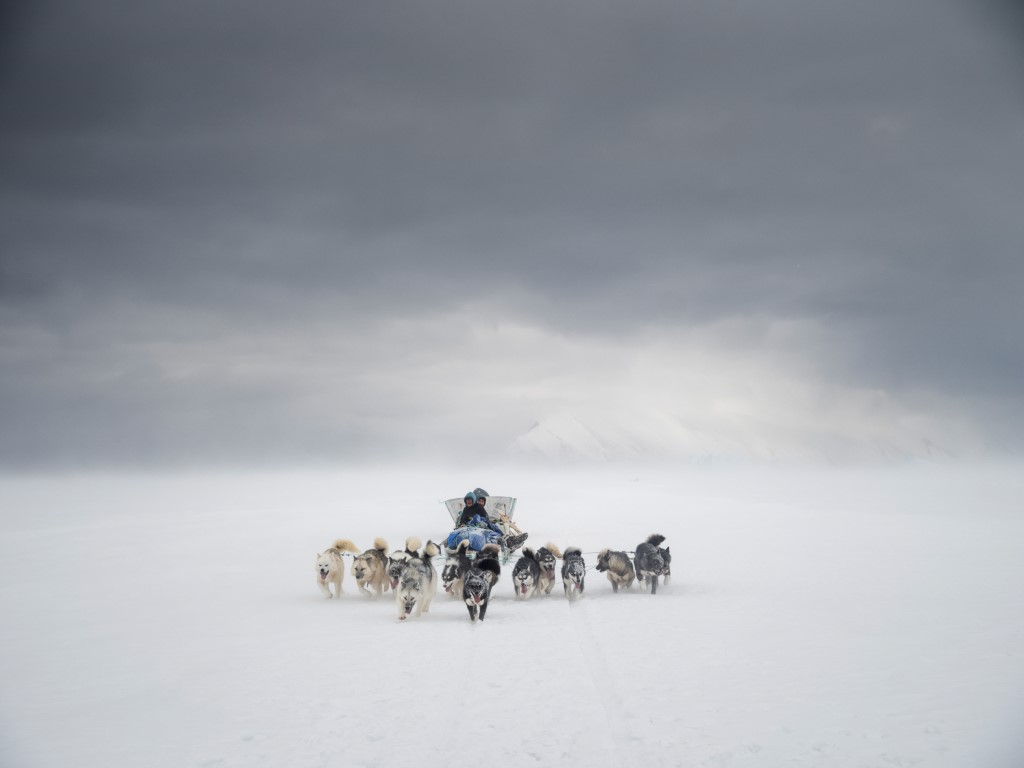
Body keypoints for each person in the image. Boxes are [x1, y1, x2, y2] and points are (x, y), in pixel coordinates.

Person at [446, 489, 528, 552]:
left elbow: (484, 519)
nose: (468, 501)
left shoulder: (479, 508)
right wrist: (462, 525)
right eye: (467, 500)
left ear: (473, 500)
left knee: (487, 534)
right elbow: (462, 520)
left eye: (470, 499)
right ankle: (507, 543)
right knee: (466, 536)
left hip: (480, 527)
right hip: (468, 528)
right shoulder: (465, 509)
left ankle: (509, 542)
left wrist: (480, 522)